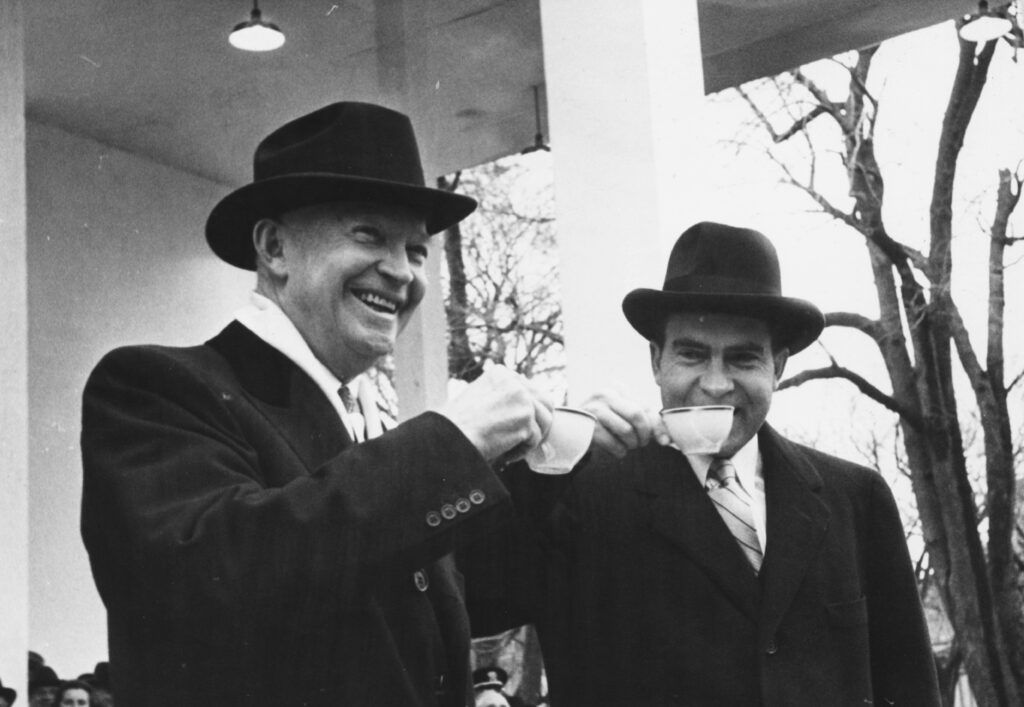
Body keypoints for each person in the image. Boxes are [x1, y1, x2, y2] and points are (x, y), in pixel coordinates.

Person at [80, 102, 554, 705]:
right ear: (275, 247)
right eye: (369, 235)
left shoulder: (374, 433)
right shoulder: (156, 386)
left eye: (415, 250)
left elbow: (460, 602)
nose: (401, 272)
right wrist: (449, 445)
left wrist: (567, 467)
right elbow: (211, 583)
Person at [463, 222, 941, 706]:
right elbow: (475, 603)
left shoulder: (855, 499)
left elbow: (911, 688)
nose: (716, 384)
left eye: (742, 359)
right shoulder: (577, 495)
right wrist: (547, 460)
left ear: (778, 367)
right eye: (692, 354)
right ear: (656, 361)